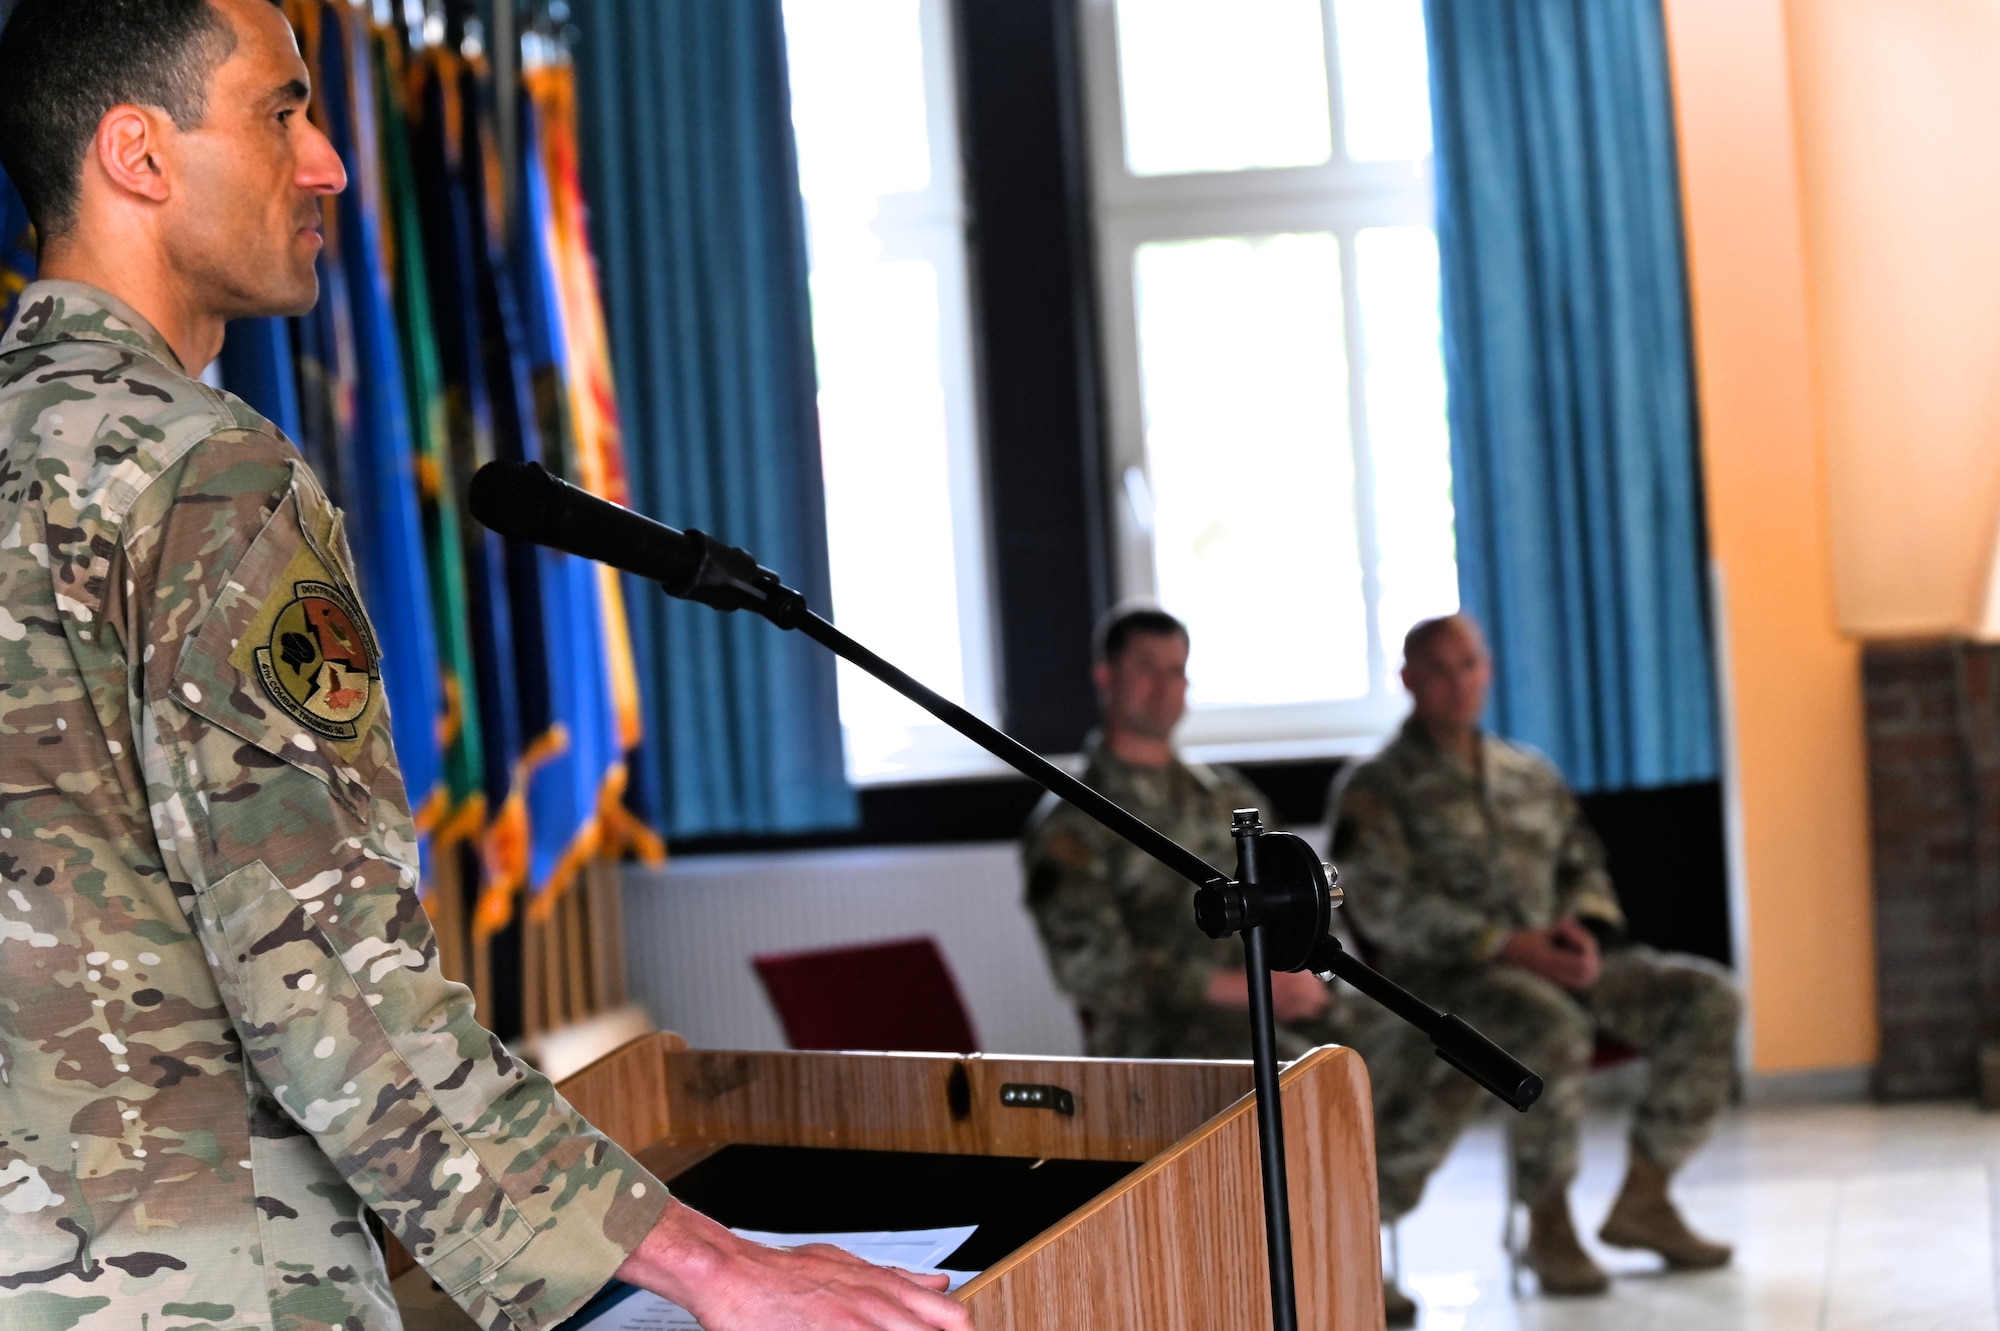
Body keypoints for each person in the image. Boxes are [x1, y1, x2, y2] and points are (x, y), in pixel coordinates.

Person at [0, 3, 972, 1328]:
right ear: (138, 153)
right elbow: (324, 978)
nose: (332, 160)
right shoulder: (205, 482)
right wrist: (714, 1262)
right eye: (283, 113)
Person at [1331, 613, 1738, 1320]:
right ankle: (1547, 1224)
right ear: (1406, 680)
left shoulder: (1530, 773)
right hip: (1451, 979)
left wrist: (1583, 929)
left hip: (1560, 960)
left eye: (1468, 664)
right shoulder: (1376, 787)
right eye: (1436, 668)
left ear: (1488, 670)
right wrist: (1503, 942)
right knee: (1545, 1027)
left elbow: (1584, 863)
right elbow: (1383, 906)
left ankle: (1646, 1195)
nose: (1456, 682)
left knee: (1707, 996)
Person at [1023, 605, 1341, 1060]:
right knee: (1304, 1077)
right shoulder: (1073, 822)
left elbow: (1302, 897)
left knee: (1398, 1044)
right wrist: (1244, 987)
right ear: (1105, 677)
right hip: (1165, 1035)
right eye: (1146, 668)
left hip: (1278, 998)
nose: (1165, 687)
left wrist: (1304, 970)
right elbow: (1092, 970)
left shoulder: (1226, 796)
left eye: (1177, 671)